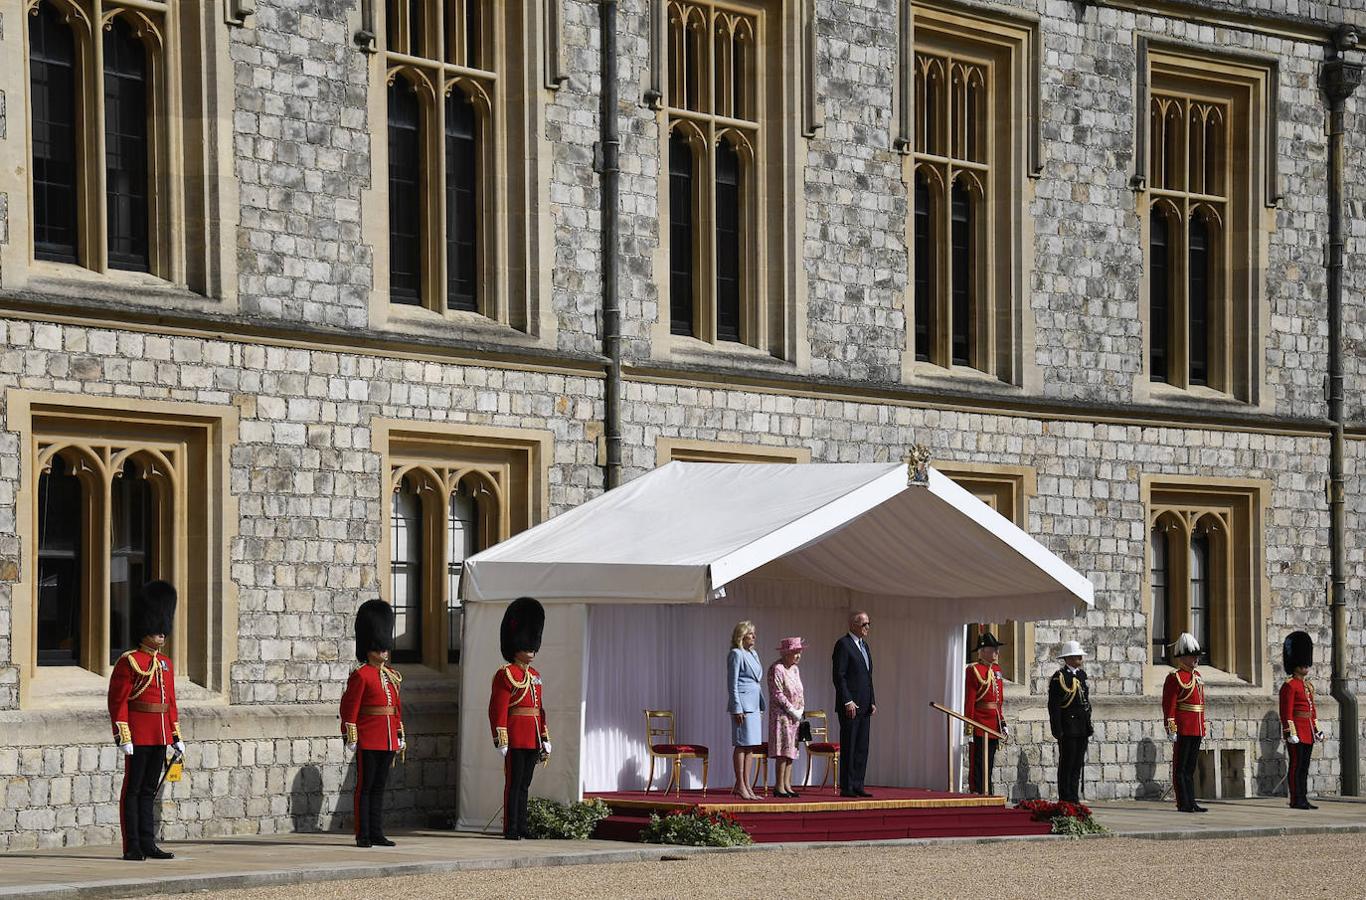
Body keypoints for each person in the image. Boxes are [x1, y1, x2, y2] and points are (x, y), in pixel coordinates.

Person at [107, 580, 185, 861]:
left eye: (164, 629)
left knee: (150, 790)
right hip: (138, 734)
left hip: (160, 733)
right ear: (145, 629)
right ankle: (132, 846)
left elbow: (170, 702)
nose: (162, 634)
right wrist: (123, 736)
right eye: (157, 628)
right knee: (134, 789)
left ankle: (149, 843)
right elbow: (118, 702)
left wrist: (176, 736)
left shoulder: (165, 664)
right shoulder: (130, 661)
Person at [340, 598, 406, 847]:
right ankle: (363, 833)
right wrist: (350, 736)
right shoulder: (361, 675)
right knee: (365, 788)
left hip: (387, 737)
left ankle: (377, 832)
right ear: (369, 647)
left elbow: (395, 709)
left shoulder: (391, 676)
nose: (383, 652)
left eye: (385, 648)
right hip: (368, 737)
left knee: (379, 788)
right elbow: (349, 707)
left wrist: (399, 734)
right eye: (379, 648)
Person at [489, 597, 550, 839]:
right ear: (516, 646)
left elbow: (539, 709)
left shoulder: (535, 675)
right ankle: (511, 827)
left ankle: (522, 825)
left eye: (533, 646)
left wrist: (544, 736)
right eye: (527, 646)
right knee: (513, 785)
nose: (531, 651)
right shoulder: (505, 674)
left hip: (532, 736)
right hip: (515, 736)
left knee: (524, 785)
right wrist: (500, 737)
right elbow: (497, 708)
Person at [1162, 632, 1207, 813]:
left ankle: (1192, 801)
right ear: (1183, 657)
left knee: (1190, 768)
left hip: (1195, 727)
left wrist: (1202, 726)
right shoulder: (1175, 677)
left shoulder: (1197, 676)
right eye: (1192, 656)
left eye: (1196, 656)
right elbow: (1169, 704)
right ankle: (1183, 802)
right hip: (1183, 727)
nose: (1195, 659)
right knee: (1180, 768)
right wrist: (1171, 727)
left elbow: (1200, 704)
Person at [832, 611, 875, 798]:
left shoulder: (864, 646)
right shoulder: (843, 644)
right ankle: (847, 786)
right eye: (864, 624)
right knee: (849, 745)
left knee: (862, 746)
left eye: (868, 624)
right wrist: (847, 700)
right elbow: (839, 676)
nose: (867, 627)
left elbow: (868, 677)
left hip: (865, 704)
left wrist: (872, 701)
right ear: (854, 625)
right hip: (850, 705)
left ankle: (858, 783)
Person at [1279, 631, 1322, 810]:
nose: (1306, 667)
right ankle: (1296, 799)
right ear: (1295, 665)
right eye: (1303, 664)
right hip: (1297, 731)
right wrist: (1290, 732)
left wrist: (1317, 728)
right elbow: (1286, 712)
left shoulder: (1307, 686)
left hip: (1308, 731)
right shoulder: (1289, 686)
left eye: (1306, 664)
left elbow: (1312, 710)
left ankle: (1303, 797)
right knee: (1296, 766)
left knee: (1304, 767)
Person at [1047, 639, 1093, 803]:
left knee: (1077, 764)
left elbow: (1085, 702)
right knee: (1067, 763)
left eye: (1080, 656)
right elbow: (1054, 706)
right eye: (1077, 656)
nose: (1080, 659)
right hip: (1068, 727)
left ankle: (1074, 796)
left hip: (1081, 726)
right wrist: (1057, 729)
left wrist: (1088, 723)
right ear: (1068, 658)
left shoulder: (1081, 676)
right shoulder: (1059, 677)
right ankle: (1065, 797)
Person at [726, 620, 766, 800]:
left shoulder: (754, 654)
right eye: (751, 633)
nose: (754, 637)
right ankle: (740, 784)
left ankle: (746, 784)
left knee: (751, 746)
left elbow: (756, 679)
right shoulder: (736, 654)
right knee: (741, 744)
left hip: (755, 704)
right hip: (743, 705)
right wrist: (736, 707)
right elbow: (732, 683)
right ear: (742, 636)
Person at [964, 631, 1007, 795]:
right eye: (993, 649)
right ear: (983, 651)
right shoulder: (974, 670)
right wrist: (969, 726)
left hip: (994, 722)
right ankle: (979, 790)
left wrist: (1002, 723)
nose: (997, 652)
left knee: (990, 760)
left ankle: (987, 789)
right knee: (979, 760)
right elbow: (970, 700)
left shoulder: (996, 670)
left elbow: (999, 701)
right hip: (980, 723)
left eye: (997, 649)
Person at [767, 637, 806, 798]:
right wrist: (791, 709)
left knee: (791, 751)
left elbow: (799, 690)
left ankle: (787, 784)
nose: (798, 656)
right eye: (795, 652)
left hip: (794, 716)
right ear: (785, 653)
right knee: (782, 751)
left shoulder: (795, 669)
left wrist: (801, 707)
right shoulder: (777, 668)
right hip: (781, 715)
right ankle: (779, 786)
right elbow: (777, 693)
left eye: (799, 652)